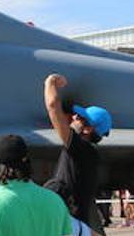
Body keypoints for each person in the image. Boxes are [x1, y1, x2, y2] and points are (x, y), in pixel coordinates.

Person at [43, 74, 111, 228]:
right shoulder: (90, 154)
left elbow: (53, 106)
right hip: (76, 226)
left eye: (79, 117)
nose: (73, 117)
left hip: (68, 227)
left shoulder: (80, 149)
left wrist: (50, 82)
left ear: (88, 129)